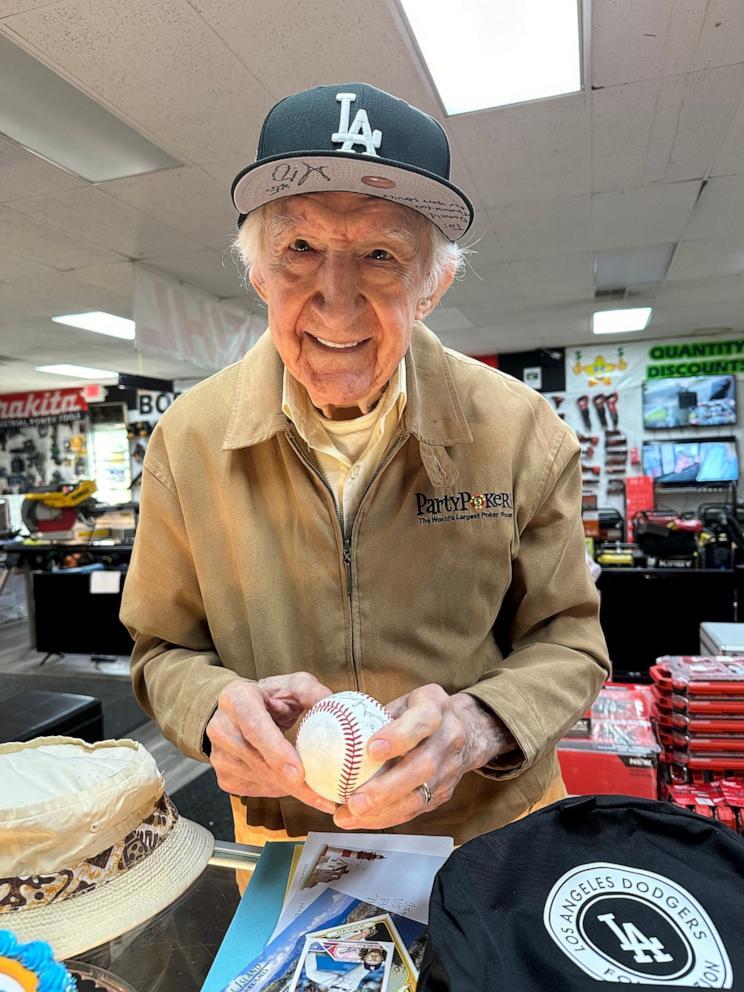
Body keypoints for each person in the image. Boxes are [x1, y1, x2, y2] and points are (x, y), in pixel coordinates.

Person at [120, 83, 609, 854]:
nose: (336, 304)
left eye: (382, 254)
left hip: (486, 831)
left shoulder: (523, 431)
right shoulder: (188, 440)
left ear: (433, 285)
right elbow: (160, 651)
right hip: (291, 841)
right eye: (300, 248)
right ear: (259, 274)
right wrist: (215, 707)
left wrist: (480, 725)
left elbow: (571, 640)